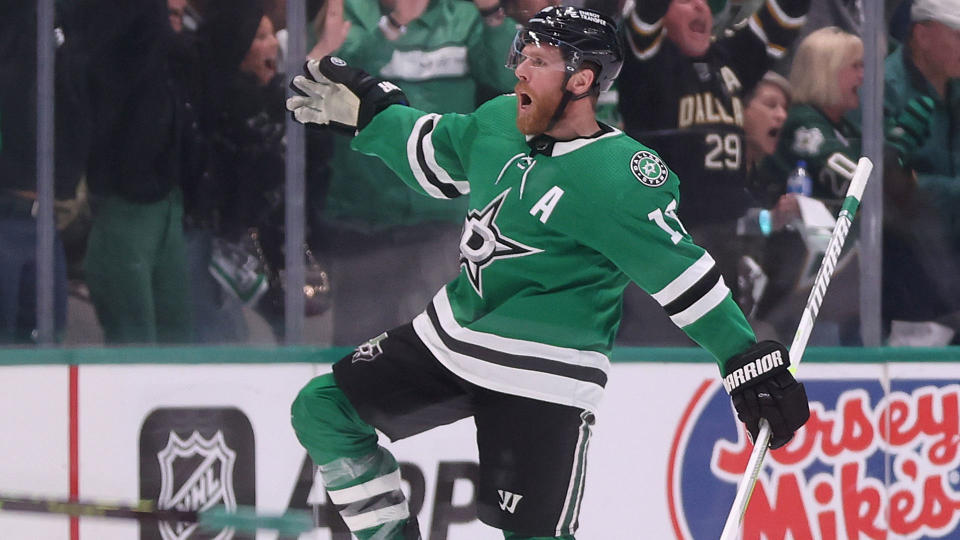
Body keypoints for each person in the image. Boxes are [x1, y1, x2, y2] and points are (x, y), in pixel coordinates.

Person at [287, 6, 810, 539]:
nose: (519, 69)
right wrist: (374, 113)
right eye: (521, 55)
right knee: (324, 408)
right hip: (451, 339)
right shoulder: (498, 121)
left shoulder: (619, 176)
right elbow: (433, 152)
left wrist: (745, 361)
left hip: (544, 375)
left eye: (537, 60)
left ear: (581, 80)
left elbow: (683, 277)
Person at [305, 0, 521, 346]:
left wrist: (493, 14)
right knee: (361, 350)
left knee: (437, 345)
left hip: (442, 216)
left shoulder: (462, 14)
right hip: (363, 215)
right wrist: (394, 25)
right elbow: (330, 86)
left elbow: (506, 76)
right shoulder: (352, 10)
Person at [882, 0, 960, 345]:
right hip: (905, 265)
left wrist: (925, 186)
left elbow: (913, 186)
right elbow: (888, 187)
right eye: (957, 35)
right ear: (922, 35)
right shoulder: (884, 87)